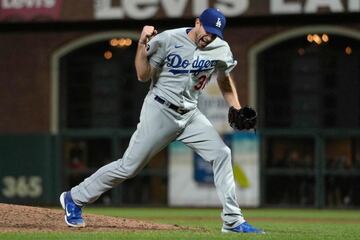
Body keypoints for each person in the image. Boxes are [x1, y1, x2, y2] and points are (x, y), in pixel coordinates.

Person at [60, 8, 264, 234]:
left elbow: (224, 80)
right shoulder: (168, 39)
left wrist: (235, 106)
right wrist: (141, 45)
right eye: (208, 31)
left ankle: (233, 221)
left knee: (222, 154)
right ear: (197, 23)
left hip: (190, 114)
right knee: (128, 167)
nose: (210, 37)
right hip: (160, 110)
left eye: (215, 34)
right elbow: (142, 75)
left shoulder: (220, 48)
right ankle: (74, 197)